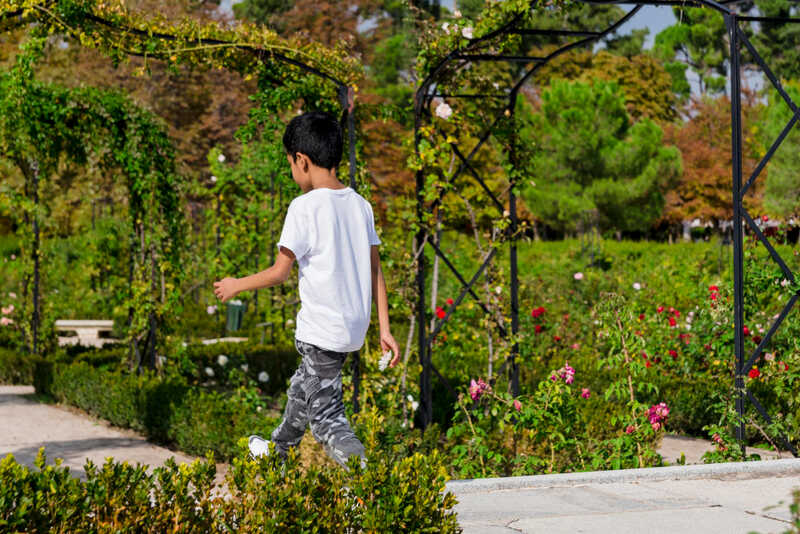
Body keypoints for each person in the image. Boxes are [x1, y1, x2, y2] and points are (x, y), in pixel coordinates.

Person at [213, 111, 400, 469]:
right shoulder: (361, 206)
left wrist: (237, 285)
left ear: (302, 160)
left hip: (321, 332)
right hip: (350, 331)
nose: (292, 172)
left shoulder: (304, 207)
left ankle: (368, 477)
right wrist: (385, 329)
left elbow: (279, 272)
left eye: (290, 165)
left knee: (328, 420)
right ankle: (278, 450)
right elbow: (376, 271)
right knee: (303, 389)